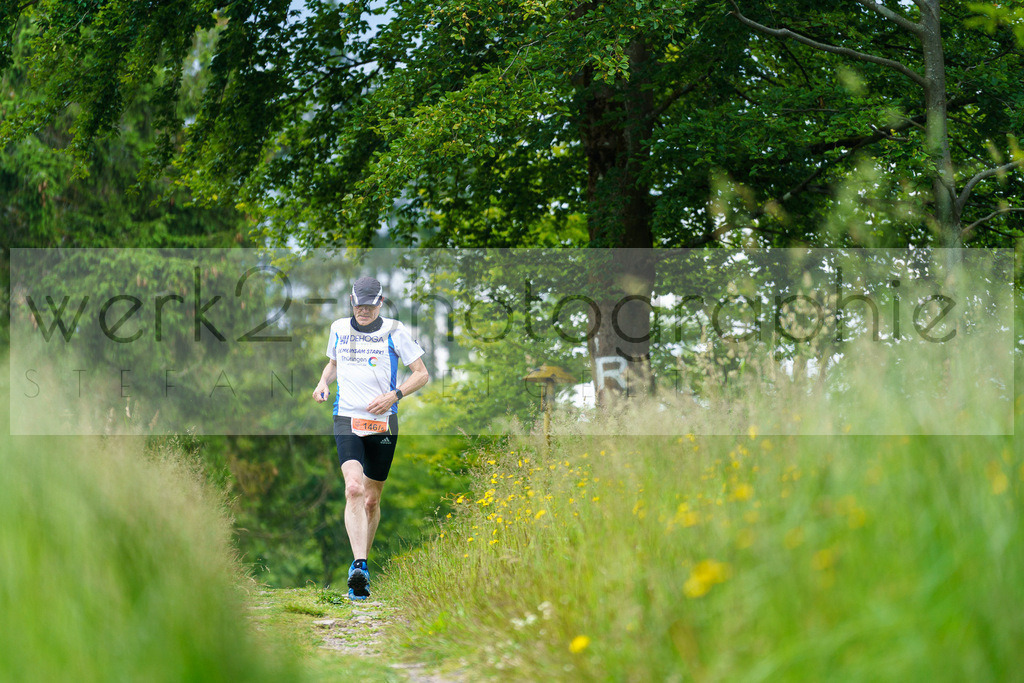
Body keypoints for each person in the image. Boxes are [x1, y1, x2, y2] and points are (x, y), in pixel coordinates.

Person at [312, 276, 429, 600]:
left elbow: (422, 373)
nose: (363, 310)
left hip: (382, 422)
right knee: (353, 487)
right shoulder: (338, 328)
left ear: (380, 303)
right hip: (347, 417)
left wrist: (395, 395)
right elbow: (333, 364)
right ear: (352, 302)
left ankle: (362, 564)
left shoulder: (394, 331)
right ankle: (359, 567)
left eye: (369, 305)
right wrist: (323, 383)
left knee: (371, 499)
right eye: (358, 304)